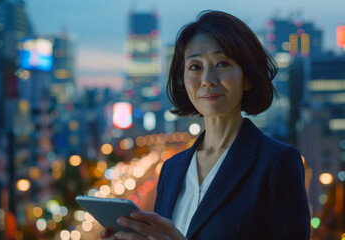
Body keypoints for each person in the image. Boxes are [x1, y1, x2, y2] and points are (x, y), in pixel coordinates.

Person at [101, 10, 310, 240]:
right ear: (183, 80)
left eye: (222, 63)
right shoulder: (172, 169)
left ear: (248, 77)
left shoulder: (277, 162)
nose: (207, 79)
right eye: (195, 67)